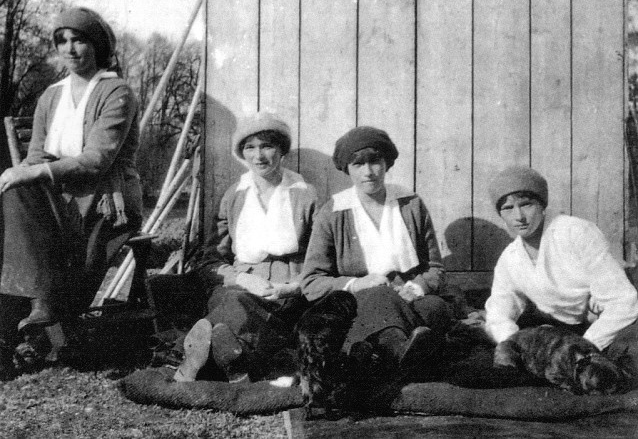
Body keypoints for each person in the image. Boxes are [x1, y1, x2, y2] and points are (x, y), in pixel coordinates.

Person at [0, 7, 143, 380]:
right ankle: (30, 313)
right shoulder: (51, 95)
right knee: (12, 198)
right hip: (58, 199)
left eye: (79, 39)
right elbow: (35, 157)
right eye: (62, 40)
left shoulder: (116, 91)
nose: (70, 48)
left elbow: (97, 159)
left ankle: (45, 312)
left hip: (105, 198)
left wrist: (37, 170)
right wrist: (27, 171)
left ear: (97, 45)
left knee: (36, 216)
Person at [173, 111, 318, 383]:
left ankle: (210, 357)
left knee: (248, 319)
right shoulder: (234, 196)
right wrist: (241, 278)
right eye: (250, 147)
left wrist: (292, 286)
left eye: (267, 146)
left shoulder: (305, 195)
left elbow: (322, 260)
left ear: (281, 150)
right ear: (242, 154)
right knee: (232, 300)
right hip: (240, 287)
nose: (258, 156)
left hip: (287, 294)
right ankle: (221, 353)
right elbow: (210, 259)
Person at [300, 126, 453, 380]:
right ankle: (401, 353)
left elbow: (435, 267)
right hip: (363, 303)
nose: (368, 172)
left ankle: (393, 354)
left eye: (375, 162)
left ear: (387, 164)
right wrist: (358, 283)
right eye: (358, 164)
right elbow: (311, 282)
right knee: (382, 300)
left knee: (435, 307)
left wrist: (416, 287)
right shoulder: (333, 213)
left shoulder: (411, 204)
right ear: (347, 169)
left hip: (410, 295)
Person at [484, 165, 638, 384]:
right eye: (508, 208)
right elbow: (498, 314)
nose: (519, 216)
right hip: (562, 331)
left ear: (542, 206)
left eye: (526, 204)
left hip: (607, 325)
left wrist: (582, 349)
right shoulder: (510, 258)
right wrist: (517, 347)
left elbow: (624, 301)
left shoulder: (575, 232)